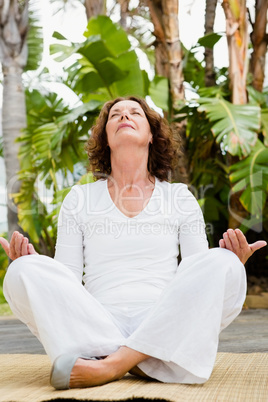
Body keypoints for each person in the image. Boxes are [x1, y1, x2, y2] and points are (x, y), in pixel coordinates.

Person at [0, 96, 266, 390]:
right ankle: (146, 356)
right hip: (97, 323)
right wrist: (38, 267)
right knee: (21, 271)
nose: (124, 116)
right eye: (115, 115)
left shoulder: (178, 196)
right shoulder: (80, 199)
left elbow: (194, 274)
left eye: (134, 112)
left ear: (152, 135)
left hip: (162, 317)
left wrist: (230, 265)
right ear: (106, 139)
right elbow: (68, 279)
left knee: (223, 263)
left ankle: (111, 364)